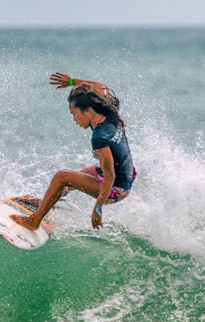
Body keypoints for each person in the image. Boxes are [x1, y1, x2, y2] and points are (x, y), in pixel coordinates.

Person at [10, 72, 136, 230]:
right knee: (71, 180)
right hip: (125, 173)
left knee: (62, 176)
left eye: (74, 113)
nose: (74, 119)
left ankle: (33, 221)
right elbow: (101, 87)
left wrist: (98, 208)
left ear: (87, 111)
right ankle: (43, 204)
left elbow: (110, 174)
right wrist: (71, 82)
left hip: (117, 189)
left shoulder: (100, 138)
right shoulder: (109, 110)